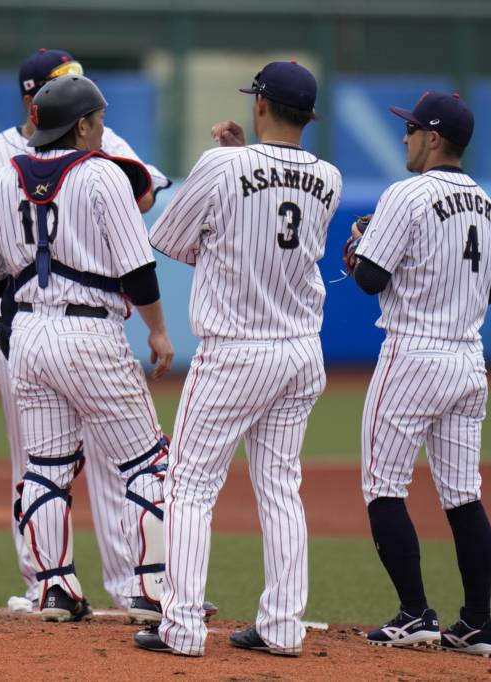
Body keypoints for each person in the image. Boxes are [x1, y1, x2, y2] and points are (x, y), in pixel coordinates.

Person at [0, 47, 174, 616]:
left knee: (44, 467)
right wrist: (159, 333)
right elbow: (138, 270)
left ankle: (53, 585)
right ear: (83, 125)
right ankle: (149, 588)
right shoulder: (101, 177)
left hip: (26, 337)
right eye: (96, 119)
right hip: (92, 332)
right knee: (147, 463)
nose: (101, 127)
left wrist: (30, 299)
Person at [133, 61, 342, 657]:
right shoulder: (329, 176)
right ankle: (282, 628)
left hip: (236, 350)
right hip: (301, 351)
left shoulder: (222, 164)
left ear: (260, 105)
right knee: (280, 488)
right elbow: (277, 219)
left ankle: (180, 628)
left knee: (189, 485)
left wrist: (230, 170)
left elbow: (170, 240)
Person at [347, 92, 491, 656]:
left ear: (434, 138)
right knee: (464, 495)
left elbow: (368, 279)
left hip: (414, 354)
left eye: (411, 129)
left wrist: (359, 247)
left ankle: (415, 612)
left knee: (382, 487)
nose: (405, 138)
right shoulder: (490, 205)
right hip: (469, 358)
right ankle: (479, 623)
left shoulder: (407, 194)